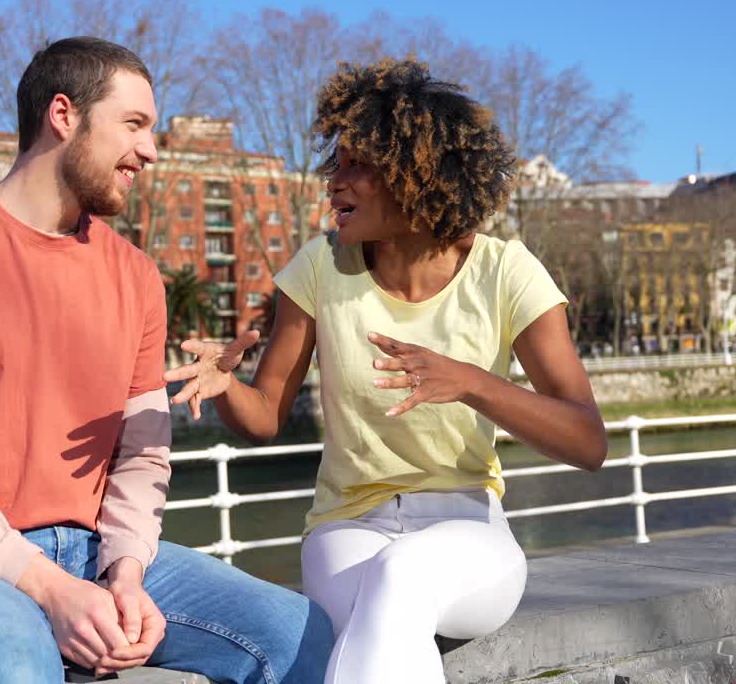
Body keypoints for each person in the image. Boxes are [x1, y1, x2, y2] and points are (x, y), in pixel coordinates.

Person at [0, 36, 333, 684]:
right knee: (18, 670)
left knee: (301, 635)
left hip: (95, 552)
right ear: (64, 116)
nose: (151, 150)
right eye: (134, 125)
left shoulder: (135, 277)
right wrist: (52, 592)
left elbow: (142, 454)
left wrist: (128, 572)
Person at [164, 58, 608, 683]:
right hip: (346, 529)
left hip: (469, 527)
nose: (334, 184)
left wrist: (473, 382)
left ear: (415, 175)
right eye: (334, 165)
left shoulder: (506, 271)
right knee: (391, 615)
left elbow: (588, 441)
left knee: (400, 580)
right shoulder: (318, 268)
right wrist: (227, 386)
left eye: (356, 167)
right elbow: (264, 418)